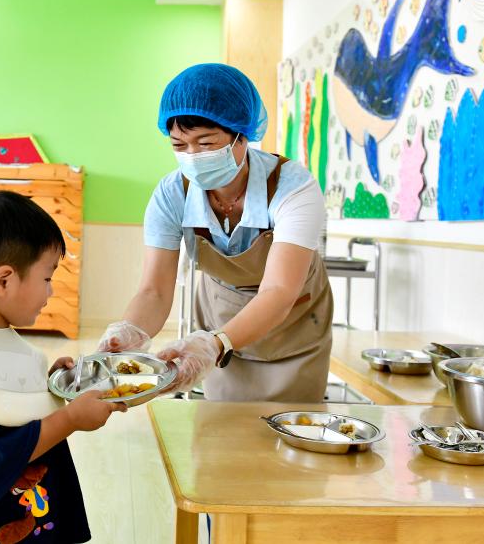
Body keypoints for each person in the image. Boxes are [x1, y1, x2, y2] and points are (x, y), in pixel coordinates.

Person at [99, 63, 333, 402]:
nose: (192, 157)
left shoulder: (292, 187)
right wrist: (130, 332)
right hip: (220, 321)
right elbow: (154, 291)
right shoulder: (171, 194)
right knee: (221, 426)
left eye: (206, 143)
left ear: (242, 136)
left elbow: (279, 290)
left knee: (289, 427)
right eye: (179, 145)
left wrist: (216, 343)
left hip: (293, 330)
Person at [0, 191, 126, 543]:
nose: (50, 292)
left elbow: (10, 405)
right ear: (4, 281)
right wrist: (71, 419)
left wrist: (51, 383)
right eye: (47, 278)